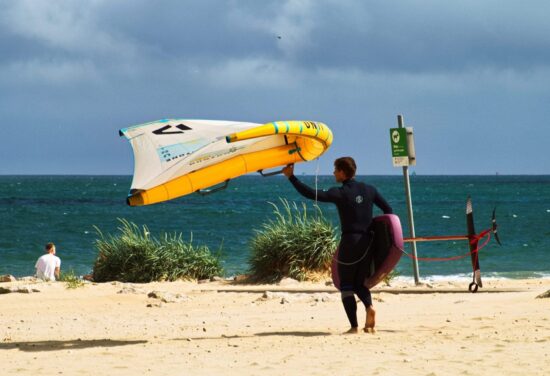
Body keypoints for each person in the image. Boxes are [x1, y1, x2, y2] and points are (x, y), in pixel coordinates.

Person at [282, 157, 392, 334]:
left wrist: (291, 177)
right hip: (367, 242)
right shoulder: (370, 189)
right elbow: (388, 211)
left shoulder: (339, 193)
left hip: (350, 242)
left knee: (346, 284)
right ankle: (369, 306)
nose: (333, 173)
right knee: (360, 283)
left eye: (335, 170)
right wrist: (378, 234)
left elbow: (312, 194)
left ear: (342, 171)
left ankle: (354, 327)